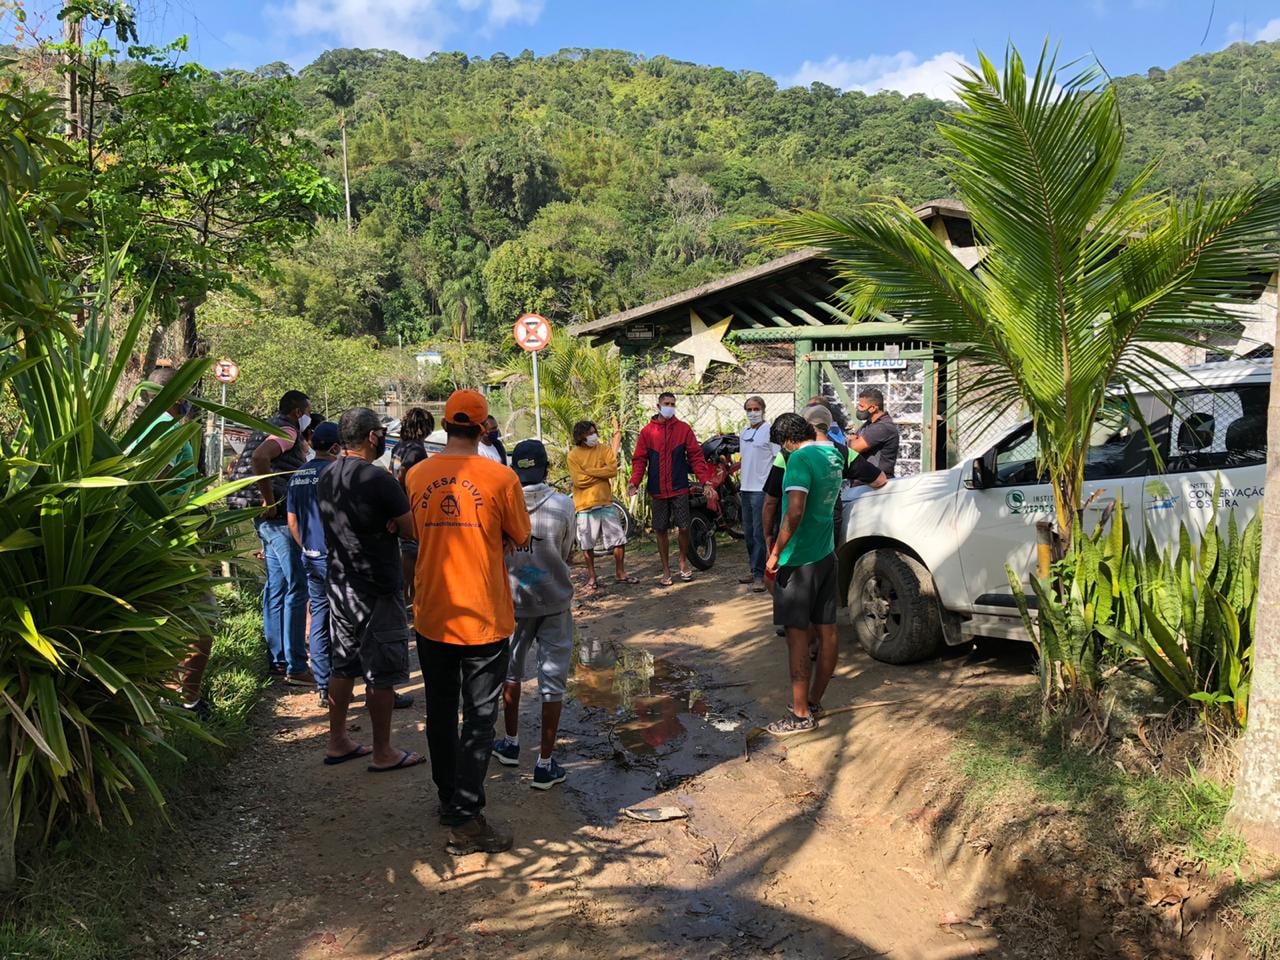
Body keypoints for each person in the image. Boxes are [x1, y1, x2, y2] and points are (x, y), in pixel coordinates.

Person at [407, 389, 531, 855]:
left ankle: (448, 800)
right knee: (479, 718)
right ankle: (465, 820)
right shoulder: (500, 478)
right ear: (483, 428)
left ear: (445, 424)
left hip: (433, 611)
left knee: (440, 709)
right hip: (483, 614)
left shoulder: (417, 474)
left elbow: (417, 532)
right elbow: (520, 535)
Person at [316, 408, 424, 773]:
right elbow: (411, 530)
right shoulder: (378, 479)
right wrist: (392, 524)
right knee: (381, 670)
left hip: (340, 583)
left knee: (343, 665)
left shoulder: (327, 476)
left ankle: (338, 740)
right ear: (373, 436)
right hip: (377, 584)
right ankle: (383, 750)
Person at [492, 440, 576, 790]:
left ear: (514, 470)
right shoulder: (563, 505)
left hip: (513, 603)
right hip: (554, 601)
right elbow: (568, 549)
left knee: (511, 672)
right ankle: (545, 763)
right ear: (546, 469)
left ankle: (510, 744)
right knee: (552, 680)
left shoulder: (500, 505)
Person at [135, 366, 213, 718]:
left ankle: (159, 701)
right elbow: (156, 480)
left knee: (159, 622)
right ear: (179, 398)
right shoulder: (172, 432)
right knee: (203, 624)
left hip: (144, 538)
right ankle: (187, 701)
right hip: (176, 537)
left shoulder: (140, 431)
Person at [764, 412, 843, 737]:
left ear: (786, 441)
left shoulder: (798, 459)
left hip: (798, 559)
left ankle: (799, 715)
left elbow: (794, 510)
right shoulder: (833, 453)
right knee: (827, 632)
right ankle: (813, 701)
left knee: (796, 637)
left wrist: (775, 551)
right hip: (826, 553)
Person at [227, 390, 314, 684]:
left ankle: (278, 659)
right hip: (275, 517)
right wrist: (269, 500)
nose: (308, 418)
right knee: (296, 586)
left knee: (277, 585)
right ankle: (296, 665)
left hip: (258, 515)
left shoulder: (267, 426)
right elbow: (261, 457)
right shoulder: (287, 430)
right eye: (307, 411)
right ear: (297, 412)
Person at [627, 391, 717, 586]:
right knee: (660, 529)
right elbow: (640, 460)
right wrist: (634, 481)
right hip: (657, 489)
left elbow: (696, 457)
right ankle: (666, 568)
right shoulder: (647, 432)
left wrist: (705, 482)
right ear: (658, 406)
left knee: (684, 526)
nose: (670, 406)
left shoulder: (683, 429)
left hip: (679, 487)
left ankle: (683, 559)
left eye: (673, 403)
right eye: (666, 403)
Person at [287, 421, 340, 709]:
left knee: (319, 619)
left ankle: (323, 684)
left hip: (311, 556)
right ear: (335, 447)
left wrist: (306, 547)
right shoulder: (336, 472)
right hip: (338, 559)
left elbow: (292, 520)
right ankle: (363, 683)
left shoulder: (298, 475)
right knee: (352, 620)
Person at [566, 419, 635, 591]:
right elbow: (578, 480)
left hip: (605, 502)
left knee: (619, 540)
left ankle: (620, 572)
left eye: (593, 432)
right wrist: (600, 473)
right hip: (584, 506)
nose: (593, 436)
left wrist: (589, 471)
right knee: (587, 544)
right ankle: (592, 577)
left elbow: (611, 470)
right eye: (589, 433)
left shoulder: (604, 449)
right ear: (581, 436)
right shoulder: (573, 455)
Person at [393, 407, 436, 603]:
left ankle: (406, 598)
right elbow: (404, 475)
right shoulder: (416, 449)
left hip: (399, 505)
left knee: (406, 552)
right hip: (410, 507)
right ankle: (412, 599)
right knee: (413, 554)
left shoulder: (398, 446)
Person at [738, 396, 778, 592]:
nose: (752, 412)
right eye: (749, 409)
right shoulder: (744, 432)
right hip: (745, 488)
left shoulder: (770, 432)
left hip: (761, 489)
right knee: (748, 533)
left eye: (756, 408)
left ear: (763, 409)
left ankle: (760, 575)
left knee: (760, 532)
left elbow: (778, 459)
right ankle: (754, 568)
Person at [851, 387, 900, 479]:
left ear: (873, 408)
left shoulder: (882, 427)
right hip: (865, 481)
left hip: (877, 483)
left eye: (862, 406)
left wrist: (853, 440)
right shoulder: (869, 424)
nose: (858, 409)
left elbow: (854, 448)